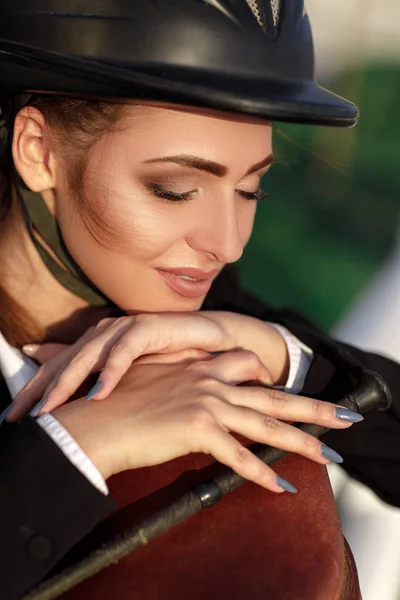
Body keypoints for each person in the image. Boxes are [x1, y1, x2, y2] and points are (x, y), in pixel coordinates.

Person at [0, 1, 399, 598]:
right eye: (175, 190)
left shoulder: (216, 317)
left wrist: (281, 354)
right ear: (38, 150)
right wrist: (81, 444)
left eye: (250, 190)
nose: (228, 244)